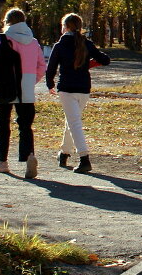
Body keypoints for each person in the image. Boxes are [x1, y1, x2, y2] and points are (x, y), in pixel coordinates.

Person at [46, 13, 110, 174]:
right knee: (72, 120)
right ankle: (64, 152)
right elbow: (105, 59)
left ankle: (84, 158)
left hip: (67, 88)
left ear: (65, 27)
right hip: (83, 87)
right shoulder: (86, 43)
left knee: (74, 123)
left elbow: (51, 68)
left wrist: (50, 84)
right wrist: (87, 65)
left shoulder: (60, 45)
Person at [0, 8, 46, 179]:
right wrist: (30, 81)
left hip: (5, 86)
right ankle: (29, 156)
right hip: (26, 89)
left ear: (7, 21)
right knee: (25, 125)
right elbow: (41, 66)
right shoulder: (34, 42)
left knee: (3, 124)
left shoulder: (0, 39)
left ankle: (3, 162)